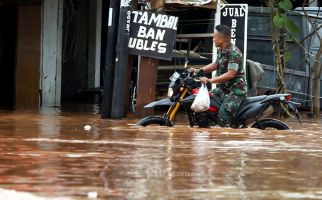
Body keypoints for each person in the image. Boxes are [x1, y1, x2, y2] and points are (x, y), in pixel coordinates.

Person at [190, 25, 247, 127]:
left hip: (235, 91)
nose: (213, 39)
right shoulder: (221, 50)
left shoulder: (234, 53)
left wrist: (210, 81)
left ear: (221, 39)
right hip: (223, 89)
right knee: (204, 102)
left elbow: (230, 74)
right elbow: (216, 64)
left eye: (214, 37)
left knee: (222, 118)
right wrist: (199, 70)